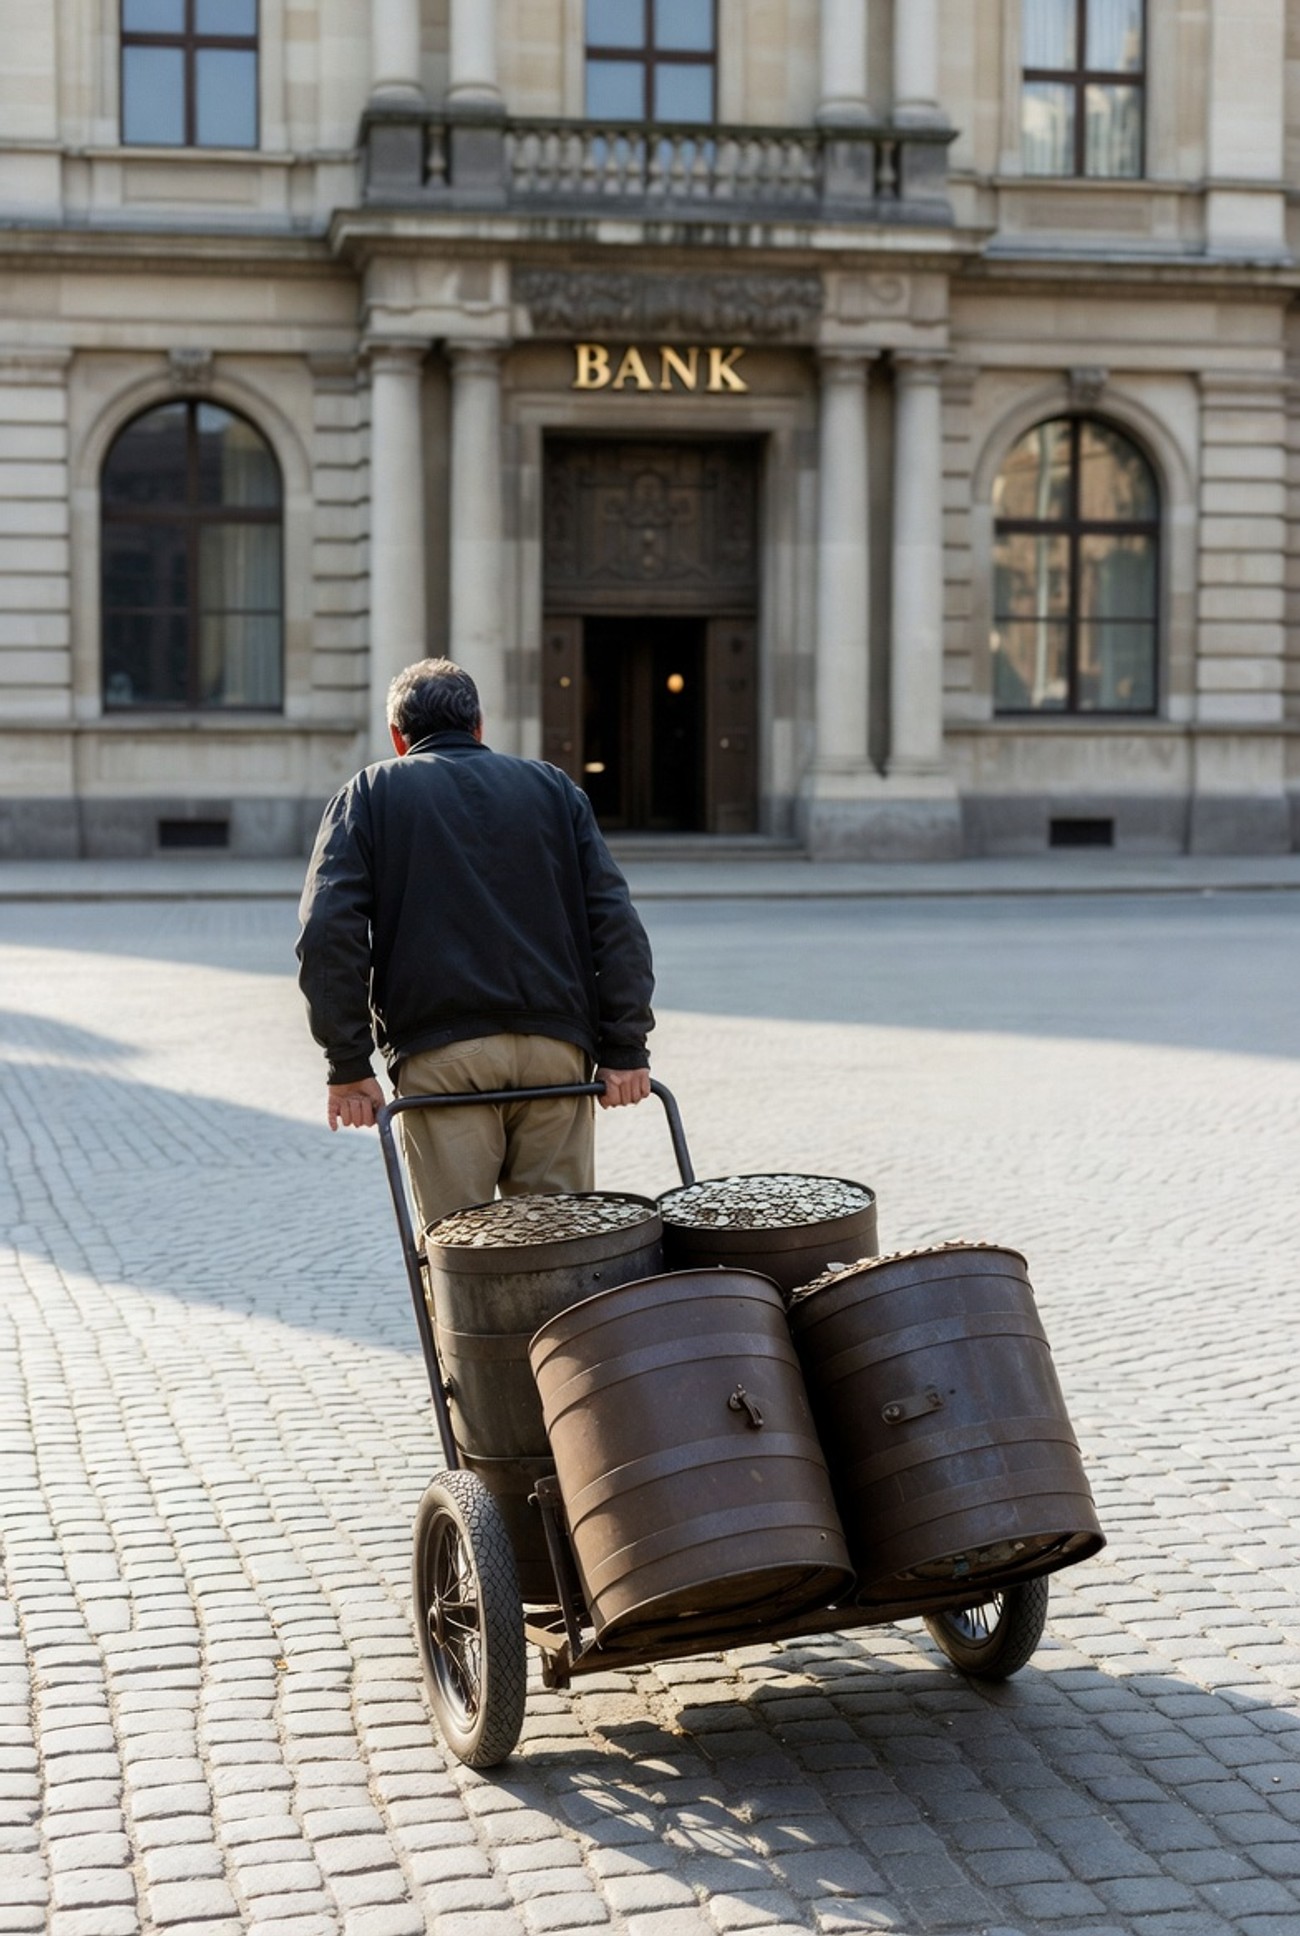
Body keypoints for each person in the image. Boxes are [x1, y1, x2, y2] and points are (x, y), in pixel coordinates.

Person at [296, 656, 655, 1230]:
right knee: (561, 1246)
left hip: (441, 1054)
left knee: (461, 1248)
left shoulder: (371, 792)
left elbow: (327, 932)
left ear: (397, 736)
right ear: (479, 726)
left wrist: (348, 1063)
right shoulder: (553, 788)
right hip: (555, 1050)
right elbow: (614, 920)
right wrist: (625, 1048)